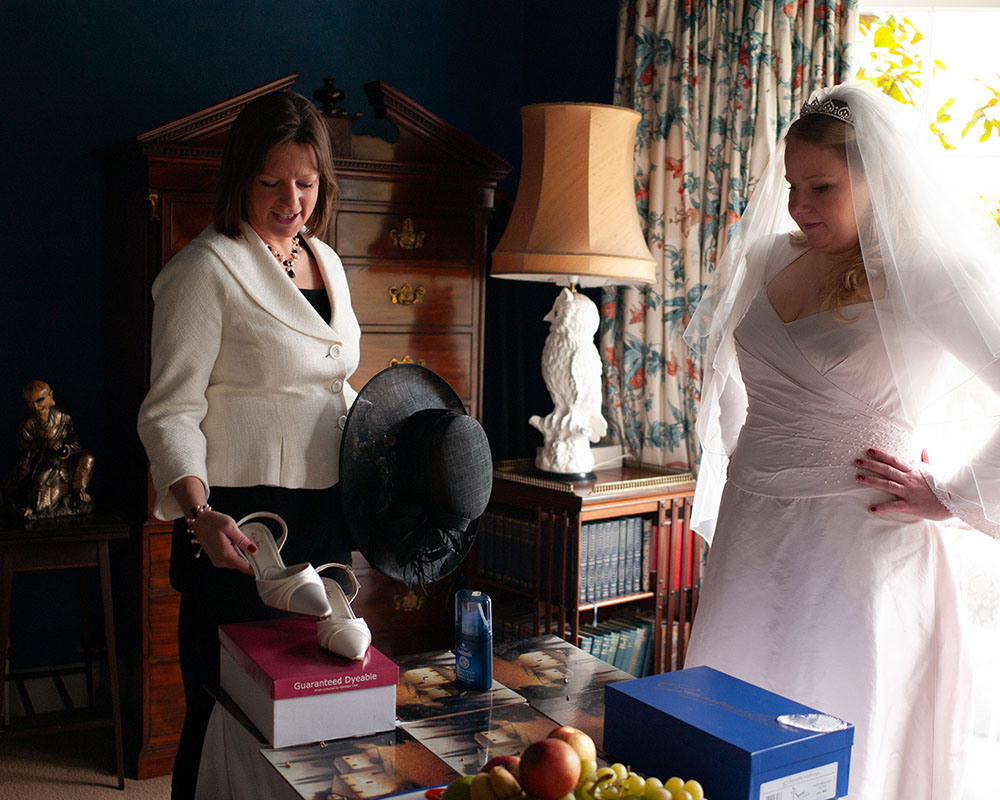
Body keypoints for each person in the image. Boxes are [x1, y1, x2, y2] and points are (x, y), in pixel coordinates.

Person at [683, 82, 1000, 798]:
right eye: (793, 185)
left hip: (859, 549)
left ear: (875, 180)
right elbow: (734, 392)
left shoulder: (926, 275)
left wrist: (950, 496)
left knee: (839, 731)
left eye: (821, 187)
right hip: (755, 531)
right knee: (734, 730)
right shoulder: (767, 258)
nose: (798, 206)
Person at [137, 91, 361, 800]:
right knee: (227, 715)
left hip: (325, 515)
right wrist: (199, 514)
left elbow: (330, 382)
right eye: (272, 182)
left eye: (306, 182)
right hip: (238, 523)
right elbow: (168, 410)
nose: (291, 200)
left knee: (312, 722)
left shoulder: (324, 259)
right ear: (240, 179)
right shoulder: (204, 270)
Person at [5, 380, 94, 516]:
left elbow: (74, 439)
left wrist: (68, 448)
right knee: (44, 480)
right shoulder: (29, 423)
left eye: (40, 400)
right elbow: (24, 445)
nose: (36, 406)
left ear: (50, 396)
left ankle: (80, 492)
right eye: (31, 403)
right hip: (42, 461)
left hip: (65, 459)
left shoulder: (63, 417)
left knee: (88, 458)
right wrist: (45, 444)